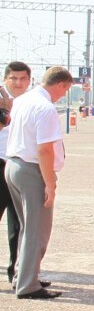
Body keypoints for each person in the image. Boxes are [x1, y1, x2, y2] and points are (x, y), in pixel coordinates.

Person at [4, 66, 74, 299]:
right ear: (60, 85)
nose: (63, 95)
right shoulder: (45, 108)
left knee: (27, 228)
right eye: (65, 90)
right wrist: (49, 184)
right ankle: (28, 286)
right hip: (32, 170)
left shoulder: (23, 100)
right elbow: (44, 150)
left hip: (13, 165)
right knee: (37, 232)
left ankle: (23, 276)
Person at [0, 61, 33, 284]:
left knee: (19, 224)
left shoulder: (32, 103)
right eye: (13, 78)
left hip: (20, 167)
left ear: (29, 80)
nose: (18, 83)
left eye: (23, 79)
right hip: (0, 163)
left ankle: (16, 272)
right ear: (5, 79)